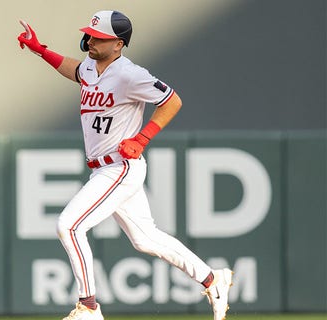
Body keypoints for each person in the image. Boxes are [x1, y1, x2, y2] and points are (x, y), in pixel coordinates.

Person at [17, 10, 234, 320]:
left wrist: (143, 138)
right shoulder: (91, 66)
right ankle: (213, 278)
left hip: (120, 166)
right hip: (102, 167)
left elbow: (172, 100)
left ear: (118, 44)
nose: (91, 40)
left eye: (100, 38)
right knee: (145, 239)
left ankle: (88, 307)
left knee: (69, 225)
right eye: (91, 35)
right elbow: (76, 70)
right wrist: (41, 50)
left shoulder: (131, 74)